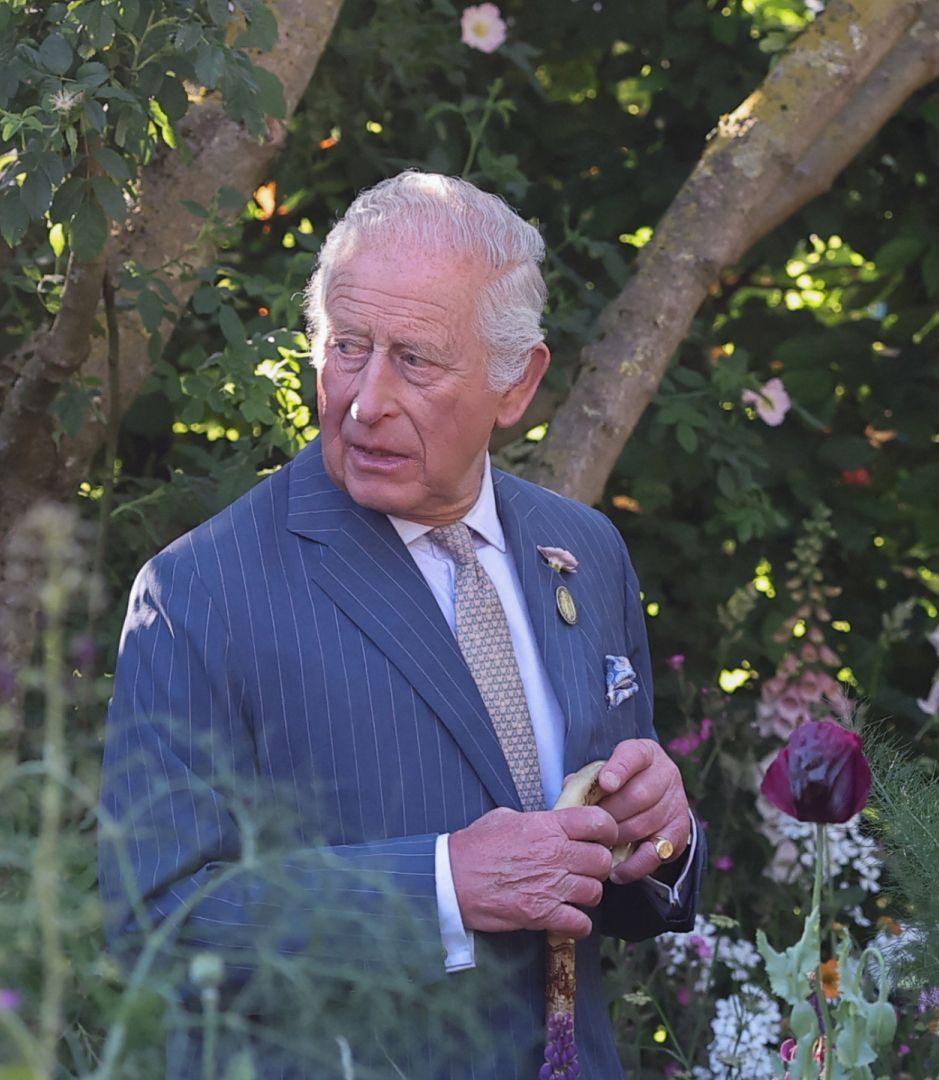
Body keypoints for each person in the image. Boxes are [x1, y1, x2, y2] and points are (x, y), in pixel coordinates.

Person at [100, 171, 704, 1078]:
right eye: (348, 346)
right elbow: (157, 923)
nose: (366, 399)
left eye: (415, 359)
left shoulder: (584, 549)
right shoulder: (200, 592)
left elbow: (601, 863)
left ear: (518, 383)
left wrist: (661, 841)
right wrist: (441, 887)